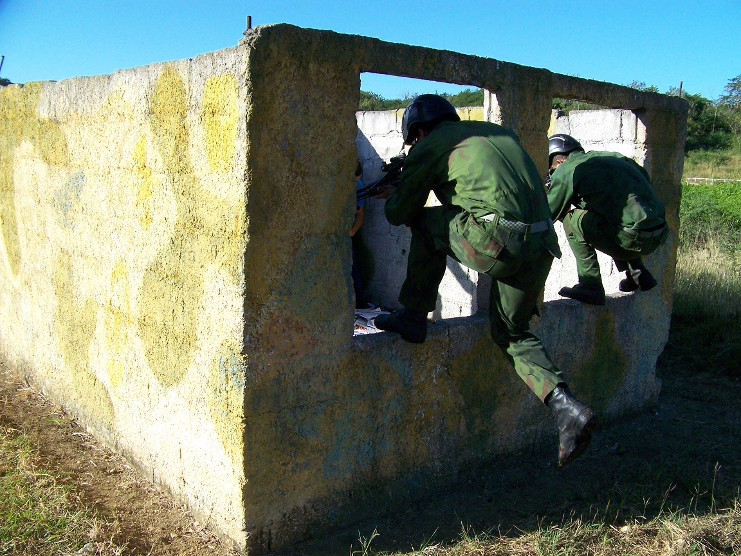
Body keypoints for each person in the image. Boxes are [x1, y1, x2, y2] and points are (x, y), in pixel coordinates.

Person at [373, 94, 597, 467]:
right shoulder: (497, 133)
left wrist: (402, 188)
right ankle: (566, 408)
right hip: (541, 244)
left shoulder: (429, 146)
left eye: (414, 140)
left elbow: (398, 214)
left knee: (429, 225)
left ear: (420, 130)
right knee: (511, 331)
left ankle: (413, 316)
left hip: (499, 242)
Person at [546, 134, 668, 305]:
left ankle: (590, 285)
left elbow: (547, 215)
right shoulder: (613, 157)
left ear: (558, 161)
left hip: (630, 239)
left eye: (551, 170)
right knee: (612, 213)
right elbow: (644, 178)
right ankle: (639, 273)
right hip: (659, 233)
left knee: (572, 220)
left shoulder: (566, 170)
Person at [351, 160, 372, 309]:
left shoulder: (358, 186)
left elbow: (360, 214)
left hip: (344, 233)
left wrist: (351, 232)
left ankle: (359, 302)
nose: (356, 182)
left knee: (352, 266)